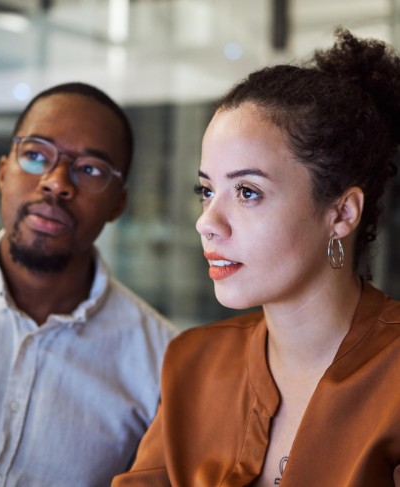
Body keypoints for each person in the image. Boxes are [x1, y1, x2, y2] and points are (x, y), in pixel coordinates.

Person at [112, 28, 400, 486]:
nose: (207, 222)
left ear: (342, 213)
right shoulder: (194, 363)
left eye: (247, 192)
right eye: (207, 190)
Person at [0, 82, 176, 486]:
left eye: (90, 169)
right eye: (35, 155)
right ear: (3, 172)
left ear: (118, 204)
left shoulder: (160, 362)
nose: (56, 182)